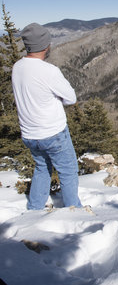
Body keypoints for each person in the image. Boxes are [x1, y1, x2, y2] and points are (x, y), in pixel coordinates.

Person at [12, 23, 82, 210]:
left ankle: (35, 209)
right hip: (53, 133)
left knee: (42, 168)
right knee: (68, 171)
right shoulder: (49, 71)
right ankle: (73, 211)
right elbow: (71, 98)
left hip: (29, 134)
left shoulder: (17, 67)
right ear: (46, 45)